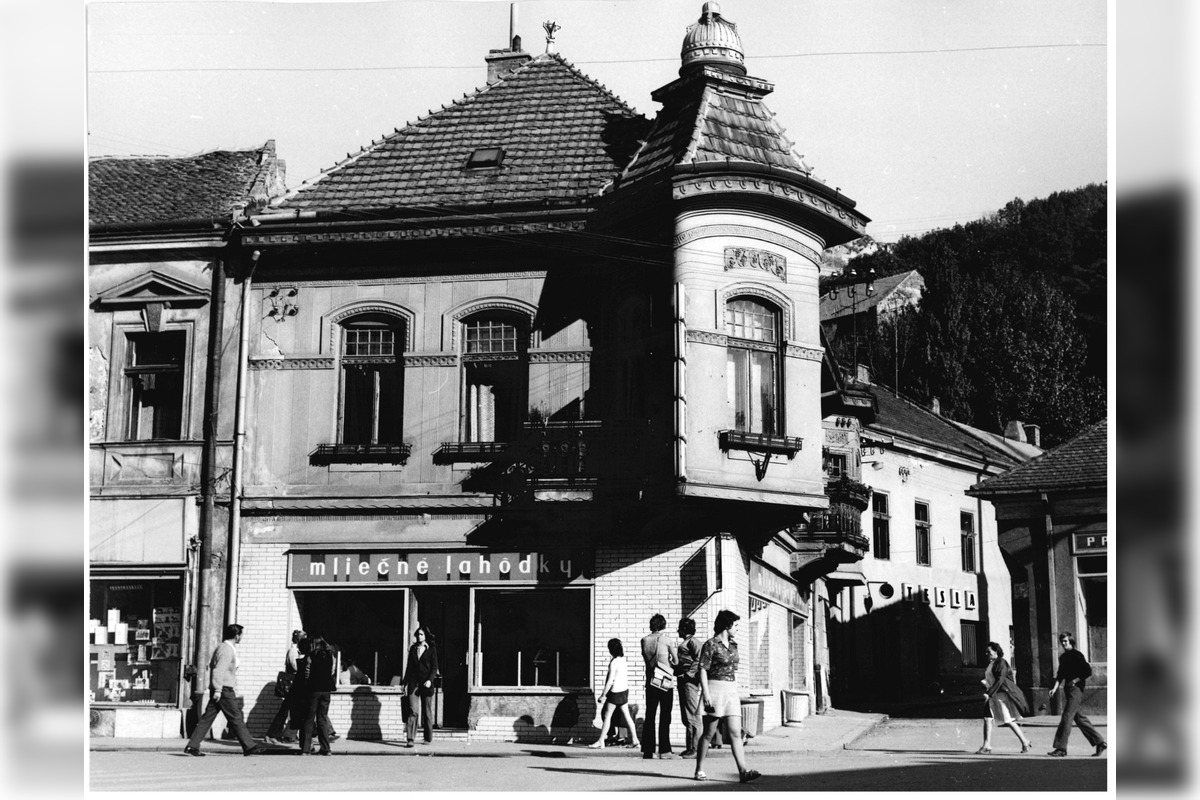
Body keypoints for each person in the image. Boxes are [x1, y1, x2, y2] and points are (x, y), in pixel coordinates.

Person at [694, 610, 759, 783]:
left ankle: (743, 771)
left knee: (735, 732)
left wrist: (736, 689)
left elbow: (733, 670)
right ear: (726, 625)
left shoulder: (733, 646)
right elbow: (702, 669)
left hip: (731, 690)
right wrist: (706, 693)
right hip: (714, 689)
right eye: (735, 625)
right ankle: (699, 769)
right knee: (708, 733)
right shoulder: (710, 644)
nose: (737, 629)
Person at [183, 624, 268, 757]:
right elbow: (218, 670)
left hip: (221, 688)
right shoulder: (227, 650)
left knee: (207, 718)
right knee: (236, 717)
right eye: (241, 635)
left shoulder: (223, 647)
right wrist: (218, 690)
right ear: (236, 635)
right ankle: (249, 746)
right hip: (224, 690)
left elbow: (213, 665)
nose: (242, 637)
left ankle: (192, 745)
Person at [1047, 632, 1107, 757]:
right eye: (1062, 641)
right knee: (1079, 718)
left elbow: (1087, 671)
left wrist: (1075, 680)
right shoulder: (1063, 657)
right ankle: (1099, 742)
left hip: (1076, 690)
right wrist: (1054, 688)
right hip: (1068, 690)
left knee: (1067, 717)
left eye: (1066, 641)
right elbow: (1060, 675)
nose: (1063, 643)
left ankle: (1061, 748)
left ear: (1071, 642)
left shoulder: (1077, 655)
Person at [975, 642, 1032, 754]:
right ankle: (986, 745)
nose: (987, 654)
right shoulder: (992, 664)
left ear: (996, 651)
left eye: (989, 652)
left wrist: (989, 693)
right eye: (986, 652)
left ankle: (1025, 741)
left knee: (1008, 720)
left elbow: (1000, 680)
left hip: (1002, 695)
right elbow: (992, 679)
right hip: (994, 694)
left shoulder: (1001, 662)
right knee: (987, 718)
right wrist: (985, 683)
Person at [589, 638, 641, 749]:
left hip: (615, 692)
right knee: (627, 716)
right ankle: (635, 740)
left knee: (607, 716)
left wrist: (603, 695)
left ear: (611, 649)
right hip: (624, 691)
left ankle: (601, 741)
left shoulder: (614, 662)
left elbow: (609, 681)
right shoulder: (623, 660)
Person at [640, 613, 679, 760]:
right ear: (663, 625)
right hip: (664, 681)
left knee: (650, 715)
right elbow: (675, 661)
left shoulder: (644, 640)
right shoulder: (666, 640)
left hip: (651, 681)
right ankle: (664, 750)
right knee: (665, 716)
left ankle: (648, 750)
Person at [265, 630, 305, 745]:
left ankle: (289, 735)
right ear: (299, 639)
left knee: (293, 711)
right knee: (285, 711)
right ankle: (272, 735)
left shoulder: (297, 650)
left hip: (296, 686)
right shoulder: (293, 651)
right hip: (292, 686)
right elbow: (295, 667)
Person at [298, 634, 336, 756]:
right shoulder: (330, 656)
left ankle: (306, 749)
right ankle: (326, 748)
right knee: (322, 719)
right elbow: (332, 672)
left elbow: (307, 674)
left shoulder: (311, 656)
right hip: (326, 690)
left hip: (314, 690)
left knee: (309, 719)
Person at [404, 626, 438, 747]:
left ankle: (428, 738)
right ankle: (410, 739)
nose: (419, 637)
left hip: (426, 684)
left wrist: (430, 680)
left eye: (422, 634)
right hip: (414, 683)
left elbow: (434, 667)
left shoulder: (431, 649)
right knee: (413, 711)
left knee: (427, 712)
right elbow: (409, 667)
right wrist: (404, 683)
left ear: (426, 636)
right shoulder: (413, 648)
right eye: (418, 634)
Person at [674, 617, 702, 758]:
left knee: (692, 714)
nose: (678, 630)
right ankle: (690, 747)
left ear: (684, 629)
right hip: (683, 680)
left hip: (689, 682)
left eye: (680, 628)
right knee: (687, 715)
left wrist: (689, 674)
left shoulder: (693, 642)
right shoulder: (687, 642)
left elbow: (699, 658)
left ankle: (696, 749)